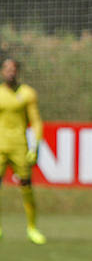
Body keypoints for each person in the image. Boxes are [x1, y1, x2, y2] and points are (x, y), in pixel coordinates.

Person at [0, 57, 46, 244]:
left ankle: (32, 227)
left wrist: (35, 146)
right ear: (2, 71)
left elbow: (35, 121)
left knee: (26, 187)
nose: (10, 72)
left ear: (17, 71)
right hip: (0, 146)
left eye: (14, 69)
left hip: (20, 146)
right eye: (7, 68)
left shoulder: (27, 93)